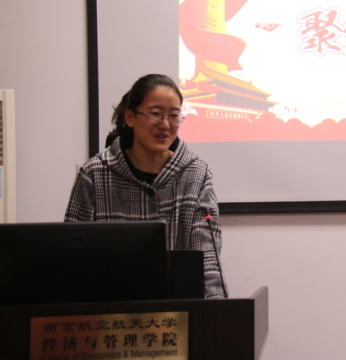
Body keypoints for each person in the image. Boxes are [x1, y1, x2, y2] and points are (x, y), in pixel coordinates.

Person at [65, 74, 227, 298]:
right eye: (155, 114)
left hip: (176, 307)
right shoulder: (95, 173)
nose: (165, 125)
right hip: (109, 307)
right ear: (130, 117)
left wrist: (214, 308)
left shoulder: (196, 174)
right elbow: (72, 255)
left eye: (174, 116)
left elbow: (207, 258)